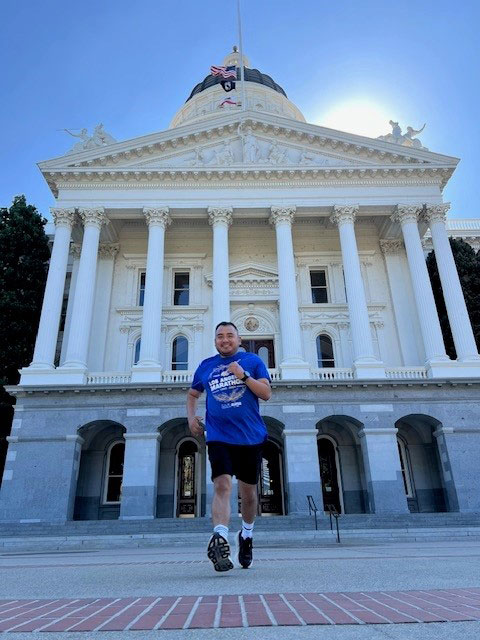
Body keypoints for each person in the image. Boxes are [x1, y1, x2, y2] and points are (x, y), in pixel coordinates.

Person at [187, 321, 272, 572]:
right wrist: (191, 418)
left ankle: (246, 536)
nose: (225, 340)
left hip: (250, 437)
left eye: (229, 336)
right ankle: (220, 537)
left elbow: (266, 393)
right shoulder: (206, 366)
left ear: (238, 339)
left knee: (249, 495)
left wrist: (243, 375)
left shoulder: (252, 361)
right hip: (218, 435)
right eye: (220, 336)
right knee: (222, 484)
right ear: (215, 341)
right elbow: (193, 394)